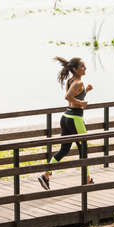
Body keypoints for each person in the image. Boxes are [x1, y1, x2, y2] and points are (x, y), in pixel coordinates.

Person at [38, 57, 94, 190]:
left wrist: (86, 90)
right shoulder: (78, 82)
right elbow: (68, 97)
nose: (85, 69)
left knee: (64, 150)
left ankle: (46, 175)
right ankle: (86, 180)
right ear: (75, 69)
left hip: (66, 117)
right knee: (83, 150)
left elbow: (74, 96)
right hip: (75, 119)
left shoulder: (71, 81)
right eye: (82, 67)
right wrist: (82, 103)